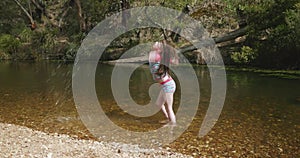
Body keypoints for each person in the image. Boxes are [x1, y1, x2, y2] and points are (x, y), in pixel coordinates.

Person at [149, 40, 179, 125]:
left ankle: (173, 125)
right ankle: (168, 119)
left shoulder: (156, 56)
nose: (155, 43)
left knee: (169, 107)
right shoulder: (158, 56)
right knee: (159, 104)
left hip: (168, 85)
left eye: (157, 43)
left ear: (159, 49)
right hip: (165, 85)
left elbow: (175, 62)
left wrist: (171, 54)